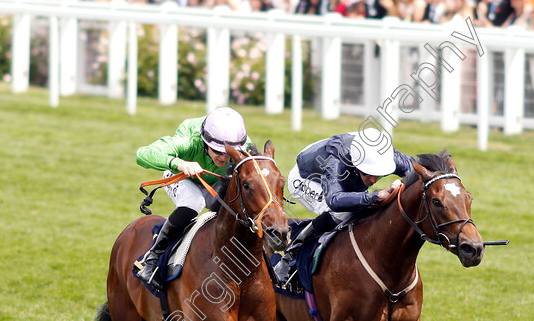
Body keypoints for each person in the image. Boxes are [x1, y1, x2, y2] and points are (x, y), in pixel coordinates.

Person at [273, 130, 415, 285]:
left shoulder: (387, 156)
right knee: (342, 213)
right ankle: (290, 255)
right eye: (368, 173)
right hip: (307, 178)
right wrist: (375, 196)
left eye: (379, 174)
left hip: (343, 176)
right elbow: (334, 200)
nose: (373, 180)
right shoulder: (337, 159)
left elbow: (420, 172)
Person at [135, 107, 255, 290]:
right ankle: (152, 257)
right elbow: (142, 154)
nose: (223, 158)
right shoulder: (188, 141)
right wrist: (180, 163)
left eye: (227, 153)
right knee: (193, 203)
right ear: (206, 143)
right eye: (217, 151)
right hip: (182, 176)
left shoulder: (244, 147)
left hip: (216, 182)